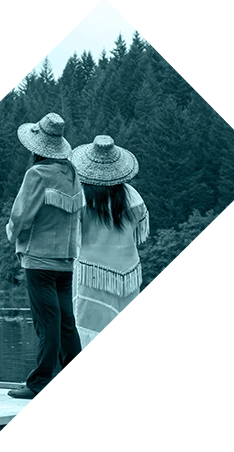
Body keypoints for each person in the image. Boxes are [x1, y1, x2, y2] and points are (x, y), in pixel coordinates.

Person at [5, 112, 84, 400]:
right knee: (65, 323)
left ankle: (39, 384)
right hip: (66, 261)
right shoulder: (72, 173)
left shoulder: (37, 174)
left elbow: (21, 215)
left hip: (39, 259)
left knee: (47, 323)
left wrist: (12, 236)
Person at [70, 135, 149, 351]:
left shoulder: (82, 197)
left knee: (87, 326)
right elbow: (139, 230)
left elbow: (73, 234)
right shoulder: (132, 196)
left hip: (91, 272)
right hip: (129, 272)